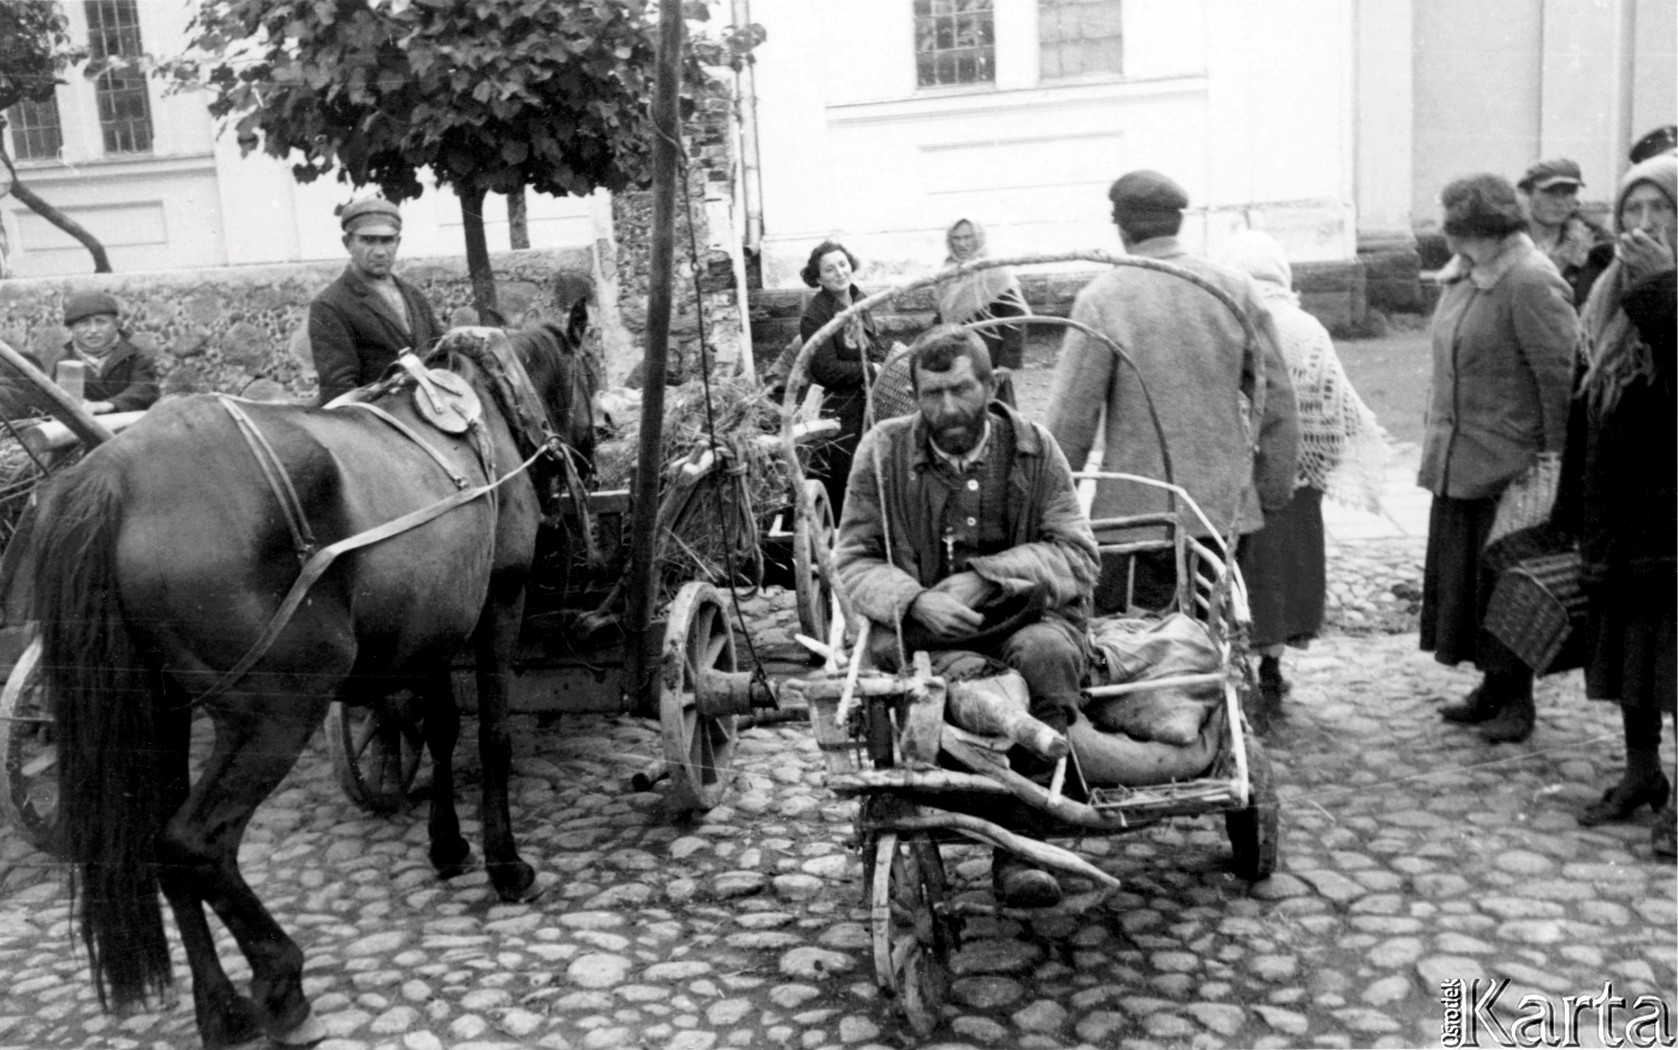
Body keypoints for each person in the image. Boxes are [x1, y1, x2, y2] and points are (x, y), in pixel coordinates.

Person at [834, 325, 1098, 907]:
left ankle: (1021, 848)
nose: (948, 407)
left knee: (1048, 657)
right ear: (915, 396)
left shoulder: (1034, 449)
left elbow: (1078, 556)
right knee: (924, 691)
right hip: (928, 636)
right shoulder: (882, 453)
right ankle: (943, 801)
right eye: (932, 394)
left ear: (991, 385)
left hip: (1027, 620)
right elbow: (852, 558)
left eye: (961, 389)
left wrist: (988, 577)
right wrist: (914, 599)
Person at [1047, 170, 1299, 614]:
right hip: (1223, 514)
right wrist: (1269, 490)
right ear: (1177, 222)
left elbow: (1071, 421)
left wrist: (1048, 510)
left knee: (1138, 641)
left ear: (1122, 228)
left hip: (1136, 519)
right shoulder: (1233, 289)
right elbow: (1277, 398)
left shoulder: (1103, 299)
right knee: (1215, 632)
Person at [1420, 173, 1578, 744]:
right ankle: (1491, 686)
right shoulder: (1463, 276)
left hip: (1513, 470)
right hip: (1461, 461)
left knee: (1511, 587)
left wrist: (1557, 470)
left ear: (1475, 226)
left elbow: (1561, 381)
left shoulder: (1531, 280)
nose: (1442, 232)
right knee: (1472, 588)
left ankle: (1517, 699)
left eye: (1450, 222)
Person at [1550, 154, 1676, 855]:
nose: (1644, 224)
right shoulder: (1605, 297)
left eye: (1662, 209)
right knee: (1632, 659)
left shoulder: (1659, 294)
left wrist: (1661, 287)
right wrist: (1570, 513)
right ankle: (1641, 771)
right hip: (1622, 518)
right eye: (1634, 209)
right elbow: (1587, 411)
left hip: (1672, 521)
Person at [1214, 231, 1386, 730]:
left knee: (1249, 576)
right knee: (1287, 575)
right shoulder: (1307, 327)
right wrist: (1318, 458)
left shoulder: (1228, 319)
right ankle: (1273, 669)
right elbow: (1337, 403)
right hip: (1298, 479)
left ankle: (1246, 669)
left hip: (1243, 479)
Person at [309, 197, 444, 405]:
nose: (380, 252)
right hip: (376, 418)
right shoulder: (330, 305)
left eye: (387, 240)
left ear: (398, 242)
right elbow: (339, 391)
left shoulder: (414, 296)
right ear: (348, 244)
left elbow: (442, 356)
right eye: (368, 240)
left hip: (432, 410)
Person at [800, 240, 887, 518]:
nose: (839, 272)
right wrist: (870, 369)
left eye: (842, 264)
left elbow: (875, 343)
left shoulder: (859, 300)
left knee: (873, 468)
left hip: (868, 401)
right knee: (843, 475)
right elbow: (826, 368)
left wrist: (883, 360)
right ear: (818, 278)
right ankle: (840, 528)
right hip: (838, 408)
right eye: (829, 269)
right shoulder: (815, 316)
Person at [931, 218, 1030, 405]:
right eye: (956, 238)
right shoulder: (947, 273)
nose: (962, 244)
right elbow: (941, 318)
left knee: (997, 408)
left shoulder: (995, 271)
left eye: (968, 237)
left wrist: (1007, 362)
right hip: (958, 359)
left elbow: (1016, 317)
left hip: (990, 358)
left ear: (978, 237)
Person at [1517, 158, 1613, 309]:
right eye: (1550, 192)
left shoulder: (1592, 250)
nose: (1559, 201)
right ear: (1528, 193)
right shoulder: (1506, 245)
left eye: (1568, 192)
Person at [59, 290, 159, 414]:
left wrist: (108, 405)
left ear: (116, 325)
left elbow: (145, 389)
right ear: (71, 328)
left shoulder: (134, 356)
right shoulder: (63, 362)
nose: (93, 330)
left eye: (101, 322)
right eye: (84, 323)